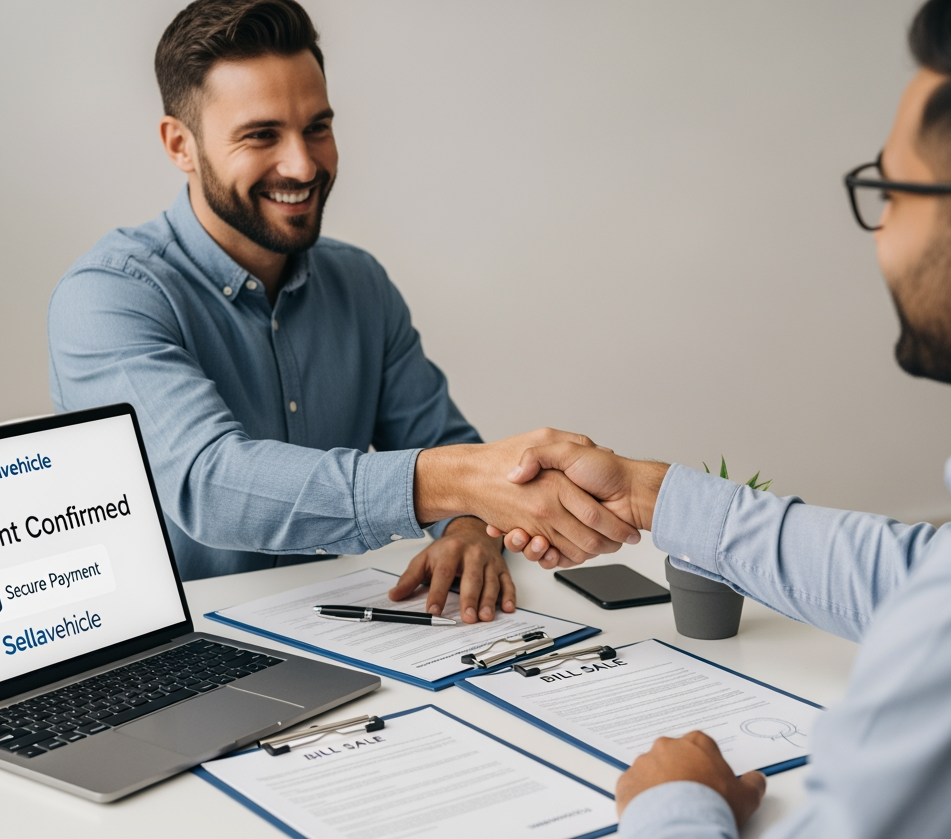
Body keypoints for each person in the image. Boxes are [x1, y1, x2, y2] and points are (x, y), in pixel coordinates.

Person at [491, 0, 951, 839]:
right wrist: (652, 496)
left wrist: (673, 805)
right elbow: (930, 577)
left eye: (891, 194)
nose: (881, 233)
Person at [47, 0, 639, 623]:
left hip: (332, 631)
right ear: (181, 145)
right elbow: (209, 484)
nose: (303, 165)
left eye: (317, 128)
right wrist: (459, 481)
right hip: (169, 650)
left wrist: (469, 529)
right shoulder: (107, 297)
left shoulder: (360, 283)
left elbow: (444, 445)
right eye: (261, 135)